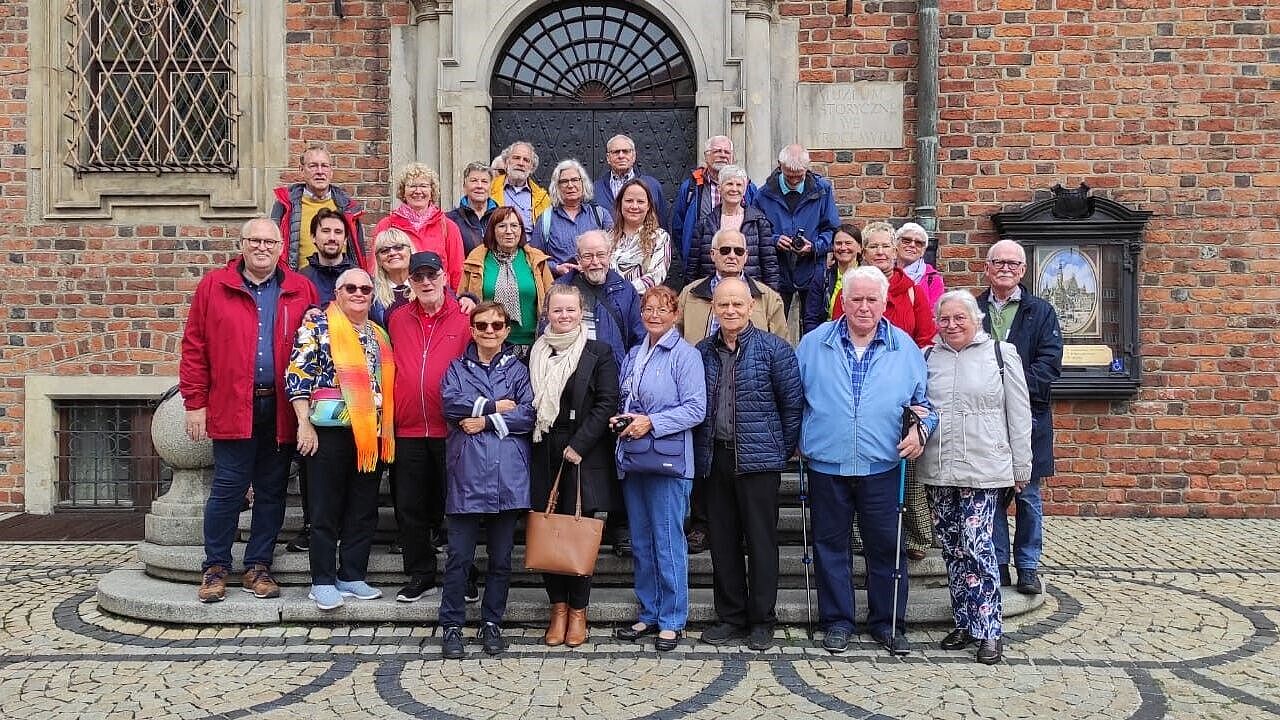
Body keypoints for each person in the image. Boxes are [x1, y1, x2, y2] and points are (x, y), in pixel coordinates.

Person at [796, 266, 937, 656]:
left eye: (871, 299)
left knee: (886, 548)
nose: (862, 307)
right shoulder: (813, 344)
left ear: (883, 303)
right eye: (854, 298)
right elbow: (793, 400)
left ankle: (888, 623)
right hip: (827, 464)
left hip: (882, 466)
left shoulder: (905, 348)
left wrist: (919, 432)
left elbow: (925, 407)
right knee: (830, 547)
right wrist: (796, 439)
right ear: (843, 300)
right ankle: (837, 621)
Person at [180, 218, 318, 603]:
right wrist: (195, 403)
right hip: (232, 403)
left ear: (280, 248)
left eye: (269, 242)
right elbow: (195, 347)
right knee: (228, 489)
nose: (261, 247)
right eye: (254, 241)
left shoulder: (299, 288)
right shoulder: (215, 286)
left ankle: (258, 565)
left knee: (272, 491)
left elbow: (315, 349)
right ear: (241, 245)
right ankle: (216, 567)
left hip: (281, 407)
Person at [919, 290, 1032, 665]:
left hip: (983, 468)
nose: (951, 325)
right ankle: (965, 621)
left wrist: (1022, 466)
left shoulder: (1001, 354)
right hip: (938, 467)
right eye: (945, 319)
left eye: (959, 318)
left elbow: (1018, 413)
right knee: (952, 548)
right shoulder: (928, 357)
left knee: (978, 546)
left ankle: (990, 630)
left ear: (976, 319)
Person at [694, 278, 802, 652]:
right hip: (716, 457)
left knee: (760, 541)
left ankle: (761, 619)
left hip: (760, 461)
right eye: (723, 304)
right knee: (722, 542)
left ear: (751, 307)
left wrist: (778, 450)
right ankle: (731, 616)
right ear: (713, 308)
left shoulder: (775, 350)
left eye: (738, 304)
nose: (730, 311)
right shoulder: (702, 351)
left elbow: (792, 406)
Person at [285, 268, 395, 610]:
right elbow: (297, 375)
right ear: (337, 292)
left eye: (365, 288)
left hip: (368, 434)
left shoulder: (379, 334)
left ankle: (351, 575)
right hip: (327, 432)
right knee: (324, 508)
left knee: (362, 509)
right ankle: (321, 581)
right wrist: (304, 423)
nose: (359, 293)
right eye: (351, 287)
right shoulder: (317, 326)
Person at [676, 228, 788, 554]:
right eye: (724, 249)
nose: (731, 256)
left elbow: (782, 351)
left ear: (746, 256)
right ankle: (700, 524)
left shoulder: (767, 297)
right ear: (712, 254)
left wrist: (781, 441)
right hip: (702, 392)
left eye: (738, 251)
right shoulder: (690, 294)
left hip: (753, 411)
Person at [438, 302, 536, 659]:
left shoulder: (519, 369)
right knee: (459, 557)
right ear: (473, 328)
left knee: (501, 558)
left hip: (508, 477)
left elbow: (528, 412)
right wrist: (498, 407)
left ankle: (491, 621)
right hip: (467, 474)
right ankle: (451, 624)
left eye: (497, 325)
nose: (490, 331)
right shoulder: (457, 367)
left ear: (507, 330)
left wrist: (484, 420)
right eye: (483, 325)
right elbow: (450, 402)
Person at [613, 286, 706, 652]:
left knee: (668, 542)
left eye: (662, 310)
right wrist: (622, 419)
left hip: (669, 461)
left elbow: (695, 409)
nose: (654, 315)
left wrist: (651, 422)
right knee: (641, 541)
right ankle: (649, 611)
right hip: (635, 457)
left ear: (676, 315)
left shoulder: (685, 356)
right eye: (648, 309)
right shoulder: (635, 353)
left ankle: (672, 619)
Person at [529, 284, 621, 648]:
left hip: (582, 451)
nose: (564, 316)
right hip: (542, 448)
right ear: (547, 313)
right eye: (557, 310)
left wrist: (579, 445)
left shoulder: (598, 352)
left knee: (576, 534)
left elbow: (606, 402)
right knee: (547, 529)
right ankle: (558, 609)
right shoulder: (537, 352)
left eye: (570, 310)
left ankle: (579, 612)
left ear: (580, 312)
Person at [385, 251, 472, 604]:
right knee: (409, 507)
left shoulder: (466, 317)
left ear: (444, 277)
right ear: (410, 281)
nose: (425, 282)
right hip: (406, 429)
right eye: (418, 277)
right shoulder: (396, 318)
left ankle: (463, 573)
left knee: (456, 507)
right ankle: (420, 572)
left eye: (431, 275)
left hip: (451, 429)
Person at [977, 239, 1063, 595]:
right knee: (994, 496)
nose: (1006, 268)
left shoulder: (1040, 311)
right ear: (987, 267)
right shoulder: (974, 308)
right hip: (985, 418)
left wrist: (1012, 387)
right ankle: (998, 563)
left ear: (1023, 271)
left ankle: (1027, 564)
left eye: (1013, 264)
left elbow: (1049, 364)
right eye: (999, 262)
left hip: (1030, 417)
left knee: (1028, 497)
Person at [554, 229, 645, 557]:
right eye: (587, 256)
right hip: (574, 389)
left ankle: (620, 527)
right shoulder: (564, 290)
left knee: (618, 458)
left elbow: (638, 338)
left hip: (614, 383)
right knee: (585, 460)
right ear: (578, 259)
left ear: (610, 255)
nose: (594, 261)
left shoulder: (624, 291)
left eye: (600, 255)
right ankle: (582, 524)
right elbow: (546, 331)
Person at [861, 221, 938, 561]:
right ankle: (861, 537)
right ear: (864, 252)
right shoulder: (853, 287)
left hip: (903, 383)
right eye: (873, 246)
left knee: (908, 465)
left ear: (895, 251)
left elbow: (926, 335)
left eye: (885, 246)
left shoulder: (911, 289)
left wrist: (911, 367)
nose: (880, 252)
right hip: (862, 387)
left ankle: (917, 537)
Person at [752, 144, 840, 314]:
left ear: (807, 168)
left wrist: (814, 246)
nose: (793, 181)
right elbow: (755, 231)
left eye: (799, 176)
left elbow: (832, 229)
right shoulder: (764, 194)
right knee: (775, 325)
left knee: (813, 324)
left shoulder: (822, 190)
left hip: (813, 267)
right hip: (777, 269)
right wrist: (775, 240)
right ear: (780, 166)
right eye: (789, 176)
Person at [460, 206, 554, 354]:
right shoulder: (476, 260)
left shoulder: (536, 260)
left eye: (514, 226)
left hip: (532, 346)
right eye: (502, 226)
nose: (509, 231)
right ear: (492, 230)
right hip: (488, 345)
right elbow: (464, 297)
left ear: (521, 230)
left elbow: (551, 299)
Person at [669, 135, 759, 289]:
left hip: (740, 263)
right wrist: (689, 254)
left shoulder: (748, 187)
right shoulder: (691, 187)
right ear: (706, 156)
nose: (722, 155)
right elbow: (679, 227)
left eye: (726, 152)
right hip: (702, 265)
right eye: (717, 151)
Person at [270, 143, 368, 270]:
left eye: (324, 166)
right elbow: (271, 247)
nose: (320, 172)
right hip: (298, 284)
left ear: (331, 172)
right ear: (301, 170)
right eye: (313, 166)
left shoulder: (348, 208)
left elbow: (358, 253)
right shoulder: (285, 205)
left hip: (340, 282)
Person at [371, 163, 466, 290]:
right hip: (395, 296)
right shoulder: (386, 225)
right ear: (403, 192)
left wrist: (455, 301)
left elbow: (457, 271)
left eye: (423, 186)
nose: (418, 191)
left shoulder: (448, 227)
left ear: (431, 192)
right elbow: (374, 266)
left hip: (437, 297)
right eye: (412, 186)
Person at [687, 165, 779, 290]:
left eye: (739, 185)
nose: (734, 189)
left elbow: (770, 266)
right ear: (719, 188)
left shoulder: (759, 223)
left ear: (745, 189)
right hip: (712, 293)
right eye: (729, 184)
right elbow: (693, 267)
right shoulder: (704, 224)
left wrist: (770, 298)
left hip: (749, 294)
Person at [531, 159, 613, 277]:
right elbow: (535, 257)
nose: (570, 185)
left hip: (597, 285)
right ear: (557, 187)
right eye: (564, 181)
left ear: (583, 183)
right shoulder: (545, 219)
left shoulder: (600, 215)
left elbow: (615, 251)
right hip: (562, 287)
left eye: (575, 180)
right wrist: (556, 267)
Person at [610, 178, 671, 292]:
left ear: (648, 206)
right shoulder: (607, 238)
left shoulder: (660, 238)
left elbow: (657, 276)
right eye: (629, 200)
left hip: (643, 304)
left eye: (640, 202)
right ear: (620, 204)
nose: (634, 206)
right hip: (610, 303)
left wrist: (623, 291)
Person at [593, 133, 667, 228]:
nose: (621, 156)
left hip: (644, 241)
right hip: (607, 241)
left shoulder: (652, 186)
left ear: (634, 156)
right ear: (608, 158)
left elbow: (661, 223)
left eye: (626, 151)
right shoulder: (595, 188)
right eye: (616, 152)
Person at [802, 224, 863, 335]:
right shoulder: (822, 277)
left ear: (859, 247)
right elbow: (811, 318)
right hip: (828, 338)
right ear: (833, 248)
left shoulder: (869, 278)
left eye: (848, 243)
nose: (843, 248)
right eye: (838, 243)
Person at [298, 208, 358, 305]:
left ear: (346, 239)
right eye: (326, 231)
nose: (332, 238)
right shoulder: (301, 280)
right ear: (313, 237)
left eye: (338, 232)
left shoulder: (358, 277)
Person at [490, 141, 550, 233]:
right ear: (506, 162)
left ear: (532, 168)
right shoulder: (489, 189)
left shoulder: (542, 198)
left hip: (530, 246)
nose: (521, 163)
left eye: (526, 160)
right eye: (516, 158)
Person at [446, 162, 499, 254]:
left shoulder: (502, 217)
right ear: (464, 186)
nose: (479, 186)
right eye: (474, 181)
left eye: (484, 181)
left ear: (491, 187)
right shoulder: (450, 220)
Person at [368, 227, 415, 328]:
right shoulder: (371, 294)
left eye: (398, 247)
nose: (392, 253)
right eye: (384, 250)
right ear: (378, 260)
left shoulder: (429, 284)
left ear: (410, 251)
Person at [896, 222, 946, 309]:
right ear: (896, 244)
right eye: (906, 241)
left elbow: (934, 314)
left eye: (918, 243)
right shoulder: (886, 274)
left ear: (923, 251)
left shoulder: (933, 279)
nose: (912, 245)